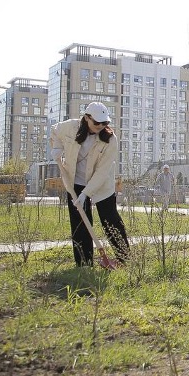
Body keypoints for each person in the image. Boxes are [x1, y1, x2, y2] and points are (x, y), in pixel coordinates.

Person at [50, 102, 130, 267]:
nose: (101, 126)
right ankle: (84, 263)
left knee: (110, 219)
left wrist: (86, 193)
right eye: (97, 122)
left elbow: (102, 171)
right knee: (80, 222)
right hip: (75, 182)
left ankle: (124, 257)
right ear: (86, 118)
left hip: (101, 183)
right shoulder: (71, 127)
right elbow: (54, 131)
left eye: (104, 123)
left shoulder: (110, 140)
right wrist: (57, 148)